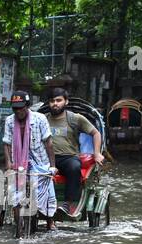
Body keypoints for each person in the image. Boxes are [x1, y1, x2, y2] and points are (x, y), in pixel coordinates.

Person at [43, 87, 103, 216]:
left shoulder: (75, 118)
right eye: (52, 101)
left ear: (66, 102)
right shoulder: (42, 119)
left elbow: (96, 133)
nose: (55, 104)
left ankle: (68, 204)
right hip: (46, 158)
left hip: (68, 158)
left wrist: (97, 153)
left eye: (59, 100)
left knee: (74, 167)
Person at [3, 89, 57, 232]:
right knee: (14, 193)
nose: (18, 112)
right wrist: (8, 164)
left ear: (27, 106)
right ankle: (18, 225)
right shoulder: (9, 121)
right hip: (18, 161)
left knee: (47, 189)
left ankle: (50, 221)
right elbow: (7, 143)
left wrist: (52, 166)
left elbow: (49, 143)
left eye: (21, 108)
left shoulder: (40, 119)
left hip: (39, 160)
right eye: (15, 109)